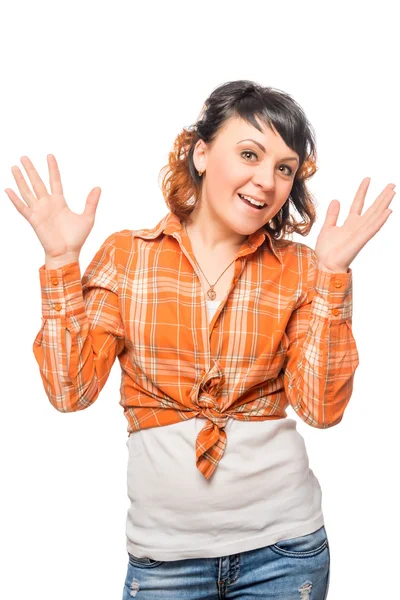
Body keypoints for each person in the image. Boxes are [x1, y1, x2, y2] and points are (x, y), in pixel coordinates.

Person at [5, 80, 395, 600]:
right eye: (250, 154)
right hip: (165, 560)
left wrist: (331, 275)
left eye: (284, 168)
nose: (267, 181)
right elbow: (69, 391)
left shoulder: (300, 268)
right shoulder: (127, 257)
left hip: (284, 551)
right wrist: (59, 263)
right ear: (202, 152)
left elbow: (322, 409)